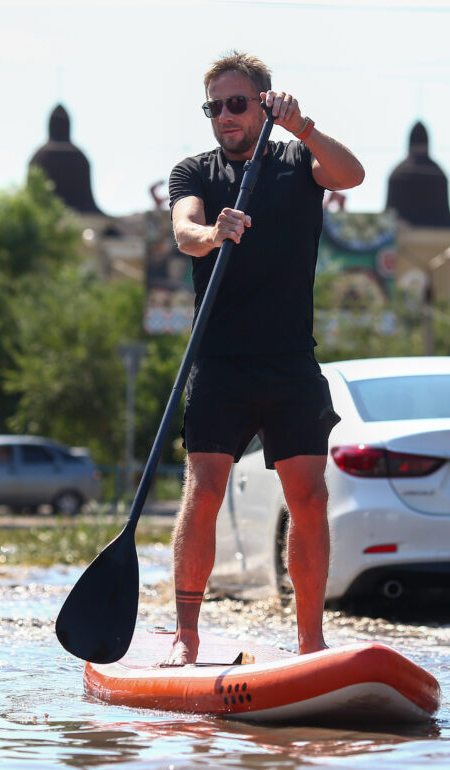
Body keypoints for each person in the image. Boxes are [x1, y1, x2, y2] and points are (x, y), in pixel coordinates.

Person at [163, 51, 365, 665]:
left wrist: (303, 127)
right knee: (205, 490)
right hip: (220, 360)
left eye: (236, 103)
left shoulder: (298, 161)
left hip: (289, 362)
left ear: (262, 103)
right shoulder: (194, 171)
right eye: (214, 107)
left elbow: (352, 175)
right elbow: (184, 230)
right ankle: (186, 637)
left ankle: (310, 642)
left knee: (310, 498)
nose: (224, 116)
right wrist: (212, 234)